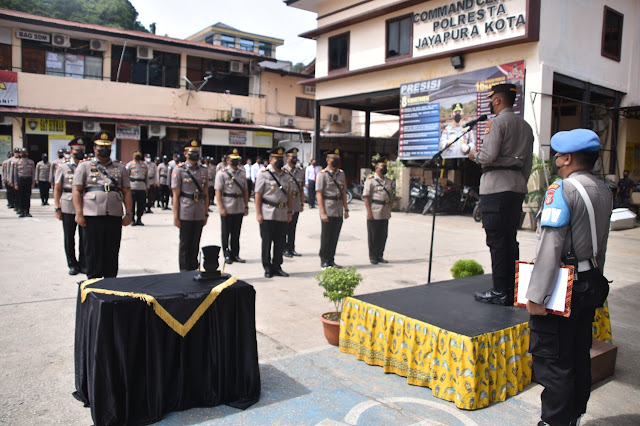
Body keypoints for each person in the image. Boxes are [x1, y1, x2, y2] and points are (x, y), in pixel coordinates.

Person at [525, 129, 612, 426]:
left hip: (564, 287)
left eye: (557, 155)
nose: (555, 161)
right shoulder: (603, 190)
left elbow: (551, 245)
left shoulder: (562, 190)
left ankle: (553, 421)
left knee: (554, 361)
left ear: (567, 158)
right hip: (591, 282)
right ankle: (573, 416)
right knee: (577, 353)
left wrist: (536, 297)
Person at [467, 83, 533, 305]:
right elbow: (528, 165)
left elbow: (488, 156)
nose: (490, 103)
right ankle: (512, 289)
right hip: (516, 187)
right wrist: (518, 182)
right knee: (510, 239)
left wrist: (474, 154)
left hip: (495, 188)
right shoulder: (525, 126)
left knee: (496, 241)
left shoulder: (497, 123)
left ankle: (499, 291)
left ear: (497, 100)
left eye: (491, 99)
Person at [72, 131, 133, 279]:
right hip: (92, 215)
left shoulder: (120, 168)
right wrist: (79, 213)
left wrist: (129, 213)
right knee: (93, 251)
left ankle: (111, 283)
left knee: (112, 250)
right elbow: (77, 190)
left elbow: (126, 192)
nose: (104, 149)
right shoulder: (84, 166)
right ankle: (93, 283)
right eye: (100, 146)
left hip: (114, 214)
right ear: (94, 148)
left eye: (107, 146)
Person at [255, 147, 293, 278]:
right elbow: (258, 195)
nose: (279, 161)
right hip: (267, 212)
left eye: (281, 159)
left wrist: (290, 211)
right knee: (266, 242)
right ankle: (267, 267)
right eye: (277, 158)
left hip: (282, 213)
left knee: (280, 242)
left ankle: (277, 266)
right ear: (270, 160)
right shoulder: (263, 174)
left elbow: (289, 195)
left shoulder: (286, 175)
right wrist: (258, 213)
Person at [171, 139, 209, 271]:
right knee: (185, 245)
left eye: (197, 152)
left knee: (195, 243)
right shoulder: (179, 170)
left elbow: (206, 194)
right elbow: (175, 195)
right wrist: (176, 216)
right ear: (185, 153)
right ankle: (183, 272)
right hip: (185, 211)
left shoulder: (204, 170)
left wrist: (206, 213)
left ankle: (193, 269)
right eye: (192, 152)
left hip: (199, 211)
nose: (195, 154)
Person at [54, 137, 87, 275]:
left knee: (84, 237)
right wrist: (57, 208)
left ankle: (83, 263)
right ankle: (72, 264)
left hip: (85, 205)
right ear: (71, 151)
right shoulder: (63, 167)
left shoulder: (88, 166)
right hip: (68, 205)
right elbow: (57, 188)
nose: (79, 152)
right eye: (76, 150)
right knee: (69, 237)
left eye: (81, 150)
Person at [215, 148, 249, 264]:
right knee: (226, 233)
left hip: (239, 206)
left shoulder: (242, 172)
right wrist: (221, 207)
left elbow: (245, 190)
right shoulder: (222, 173)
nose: (235, 161)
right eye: (233, 159)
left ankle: (235, 254)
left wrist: (246, 206)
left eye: (237, 159)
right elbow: (218, 191)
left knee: (236, 233)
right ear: (228, 160)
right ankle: (226, 254)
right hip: (227, 206)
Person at [316, 148, 349, 269]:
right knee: (326, 236)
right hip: (328, 208)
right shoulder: (322, 174)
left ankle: (331, 259)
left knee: (335, 236)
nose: (335, 161)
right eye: (333, 159)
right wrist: (322, 212)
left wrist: (346, 209)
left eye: (337, 159)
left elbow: (344, 192)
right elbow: (319, 193)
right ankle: (324, 260)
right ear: (327, 160)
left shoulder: (341, 173)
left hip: (338, 209)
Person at [364, 156, 393, 264]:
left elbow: (390, 196)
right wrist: (369, 212)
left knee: (383, 235)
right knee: (373, 235)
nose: (384, 168)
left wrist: (389, 210)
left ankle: (380, 255)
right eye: (382, 166)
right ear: (377, 168)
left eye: (385, 166)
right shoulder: (371, 180)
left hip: (385, 211)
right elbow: (366, 197)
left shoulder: (388, 181)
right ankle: (373, 256)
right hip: (375, 210)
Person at [283, 148, 304, 257]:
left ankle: (291, 248)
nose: (295, 159)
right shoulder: (283, 171)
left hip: (296, 202)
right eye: (292, 157)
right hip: (286, 203)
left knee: (293, 227)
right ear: (287, 159)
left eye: (296, 157)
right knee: (285, 227)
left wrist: (301, 203)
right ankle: (284, 248)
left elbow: (301, 188)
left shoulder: (300, 171)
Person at [126, 150, 149, 226]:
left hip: (142, 187)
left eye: (139, 155)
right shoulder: (129, 165)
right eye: (136, 155)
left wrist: (147, 186)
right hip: (132, 186)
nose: (138, 156)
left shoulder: (144, 165)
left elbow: (146, 177)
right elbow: (126, 177)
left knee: (141, 205)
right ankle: (132, 220)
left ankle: (139, 219)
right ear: (133, 156)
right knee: (132, 205)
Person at [14, 148, 36, 217]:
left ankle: (27, 211)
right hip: (20, 180)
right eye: (22, 152)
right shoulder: (17, 163)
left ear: (27, 153)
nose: (24, 154)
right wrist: (15, 183)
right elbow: (15, 174)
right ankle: (22, 211)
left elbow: (33, 173)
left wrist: (33, 183)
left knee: (27, 197)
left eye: (25, 152)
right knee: (21, 197)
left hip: (28, 180)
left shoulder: (31, 162)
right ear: (20, 154)